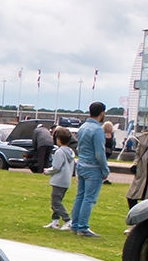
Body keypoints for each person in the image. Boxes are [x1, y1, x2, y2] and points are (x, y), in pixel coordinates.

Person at [69, 101, 110, 237]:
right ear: (102, 113)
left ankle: (75, 224)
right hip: (93, 167)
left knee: (80, 196)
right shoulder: (98, 130)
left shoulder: (83, 127)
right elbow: (100, 152)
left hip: (81, 165)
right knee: (89, 198)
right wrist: (105, 170)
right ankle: (83, 227)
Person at [43, 127, 76, 229]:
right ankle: (55, 221)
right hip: (66, 181)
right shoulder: (70, 152)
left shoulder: (59, 152)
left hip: (59, 181)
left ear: (58, 139)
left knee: (55, 203)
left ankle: (67, 220)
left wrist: (47, 171)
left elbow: (56, 167)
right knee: (58, 200)